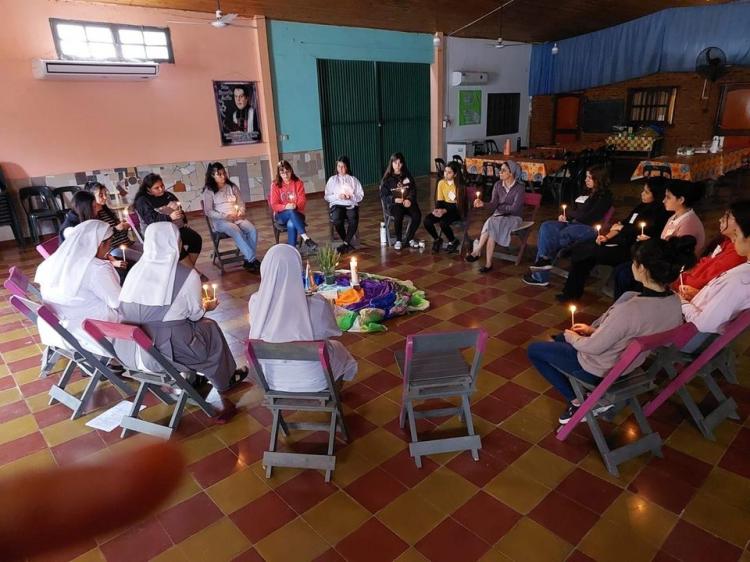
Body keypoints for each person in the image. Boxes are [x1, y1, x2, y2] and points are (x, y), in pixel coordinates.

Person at [527, 236, 697, 424]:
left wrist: (572, 337)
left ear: (642, 268)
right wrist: (592, 331)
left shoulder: (631, 309)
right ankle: (582, 389)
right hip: (629, 365)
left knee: (536, 350)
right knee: (559, 339)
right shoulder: (674, 301)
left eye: (634, 262)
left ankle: (578, 402)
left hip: (599, 368)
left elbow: (593, 348)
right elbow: (633, 332)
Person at [116, 222, 247, 414]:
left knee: (190, 326)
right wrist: (206, 307)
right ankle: (224, 379)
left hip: (127, 350)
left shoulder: (135, 271)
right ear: (175, 243)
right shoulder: (187, 274)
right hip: (166, 351)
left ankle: (195, 376)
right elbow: (195, 314)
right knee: (209, 327)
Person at [248, 244, 357, 392]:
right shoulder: (317, 304)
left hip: (272, 379)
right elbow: (333, 331)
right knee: (338, 349)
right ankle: (334, 397)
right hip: (315, 379)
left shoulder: (255, 303)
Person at [556, 177, 671, 302]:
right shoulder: (641, 206)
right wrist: (606, 237)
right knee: (584, 249)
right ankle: (571, 293)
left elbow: (644, 233)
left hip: (631, 248)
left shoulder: (660, 213)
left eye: (647, 192)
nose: (642, 194)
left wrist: (623, 229)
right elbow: (621, 224)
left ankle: (570, 257)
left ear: (657, 195)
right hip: (618, 240)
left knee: (587, 252)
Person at [35, 220, 121, 356]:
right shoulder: (96, 269)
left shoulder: (52, 262)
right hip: (93, 334)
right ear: (100, 244)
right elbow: (117, 302)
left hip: (60, 331)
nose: (110, 247)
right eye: (110, 242)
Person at [613, 180, 706, 299]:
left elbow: (676, 255)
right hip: (661, 260)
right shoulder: (675, 216)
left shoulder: (688, 223)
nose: (663, 200)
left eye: (668, 197)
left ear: (681, 200)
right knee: (621, 270)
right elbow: (665, 243)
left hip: (670, 270)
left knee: (624, 275)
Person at [523, 164, 613, 287]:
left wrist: (572, 214)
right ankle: (544, 262)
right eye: (586, 177)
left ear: (599, 179)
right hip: (573, 223)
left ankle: (542, 270)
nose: (586, 180)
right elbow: (574, 209)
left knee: (562, 234)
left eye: (590, 178)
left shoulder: (604, 197)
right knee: (547, 226)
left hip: (588, 228)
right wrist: (566, 215)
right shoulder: (586, 191)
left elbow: (588, 217)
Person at [682, 200, 750, 336]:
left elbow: (704, 324)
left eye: (737, 234)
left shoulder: (741, 280)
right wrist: (700, 295)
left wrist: (681, 302)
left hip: (688, 332)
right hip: (693, 312)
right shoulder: (743, 270)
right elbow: (723, 300)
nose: (734, 239)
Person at [134, 173, 205, 278]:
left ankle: (185, 272)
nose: (161, 189)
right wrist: (170, 217)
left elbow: (180, 210)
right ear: (148, 189)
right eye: (156, 188)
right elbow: (151, 220)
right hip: (156, 233)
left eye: (162, 186)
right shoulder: (142, 201)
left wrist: (182, 218)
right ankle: (193, 274)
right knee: (176, 244)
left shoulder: (168, 195)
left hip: (174, 228)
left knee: (195, 239)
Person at [464, 160, 525, 272]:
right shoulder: (497, 185)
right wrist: (483, 203)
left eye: (503, 170)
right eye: (500, 170)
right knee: (492, 226)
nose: (499, 172)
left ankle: (477, 250)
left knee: (492, 222)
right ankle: (488, 264)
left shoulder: (519, 188)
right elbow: (493, 205)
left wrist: (500, 208)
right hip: (499, 217)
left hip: (514, 218)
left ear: (511, 173)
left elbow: (515, 209)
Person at [672, 208, 743, 301]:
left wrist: (675, 279)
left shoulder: (738, 252)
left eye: (727, 217)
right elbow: (707, 262)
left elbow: (708, 277)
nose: (720, 219)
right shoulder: (727, 242)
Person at [202, 162, 261, 272]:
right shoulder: (209, 191)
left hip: (237, 217)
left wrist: (241, 212)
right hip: (221, 221)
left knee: (252, 230)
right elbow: (208, 211)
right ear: (212, 175)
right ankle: (252, 259)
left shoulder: (232, 187)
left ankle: (248, 259)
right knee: (235, 230)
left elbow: (241, 202)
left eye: (224, 173)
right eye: (219, 174)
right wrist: (225, 216)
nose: (223, 176)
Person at [84, 181, 142, 263]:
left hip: (126, 243)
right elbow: (101, 238)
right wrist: (116, 229)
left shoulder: (107, 212)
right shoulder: (92, 217)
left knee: (150, 251)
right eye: (101, 195)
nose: (105, 197)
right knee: (144, 258)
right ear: (91, 198)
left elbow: (120, 232)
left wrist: (125, 227)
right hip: (113, 249)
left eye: (105, 194)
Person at [269, 160, 318, 250]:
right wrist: (285, 207)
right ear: (279, 173)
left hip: (298, 213)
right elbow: (274, 205)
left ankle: (292, 250)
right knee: (290, 212)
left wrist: (295, 205)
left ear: (291, 170)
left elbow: (302, 201)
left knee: (291, 223)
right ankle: (306, 238)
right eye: (282, 172)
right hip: (281, 215)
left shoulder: (298, 183)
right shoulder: (275, 185)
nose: (285, 175)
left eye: (287, 171)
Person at [380, 152, 421, 250]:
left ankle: (409, 238)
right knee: (398, 215)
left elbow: (413, 190)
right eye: (395, 163)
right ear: (391, 164)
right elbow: (383, 196)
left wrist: (409, 200)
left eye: (399, 163)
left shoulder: (407, 176)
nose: (397, 166)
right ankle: (398, 240)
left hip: (407, 202)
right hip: (394, 205)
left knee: (417, 215)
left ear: (403, 164)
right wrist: (394, 199)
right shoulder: (387, 179)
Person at [423, 161, 466, 255]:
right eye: (445, 171)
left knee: (443, 223)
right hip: (444, 208)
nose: (446, 174)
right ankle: (437, 239)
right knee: (427, 221)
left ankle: (453, 241)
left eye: (449, 172)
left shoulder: (459, 186)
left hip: (456, 210)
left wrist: (444, 211)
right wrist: (437, 210)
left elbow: (458, 206)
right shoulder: (441, 183)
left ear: (455, 174)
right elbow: (440, 201)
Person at [325, 155, 364, 254]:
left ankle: (345, 244)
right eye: (339, 166)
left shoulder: (353, 180)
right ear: (336, 167)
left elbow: (360, 195)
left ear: (347, 167)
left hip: (350, 204)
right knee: (336, 219)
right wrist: (338, 196)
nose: (341, 169)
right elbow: (327, 196)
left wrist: (351, 197)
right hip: (337, 204)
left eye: (343, 166)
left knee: (353, 218)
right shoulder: (332, 180)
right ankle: (347, 243)